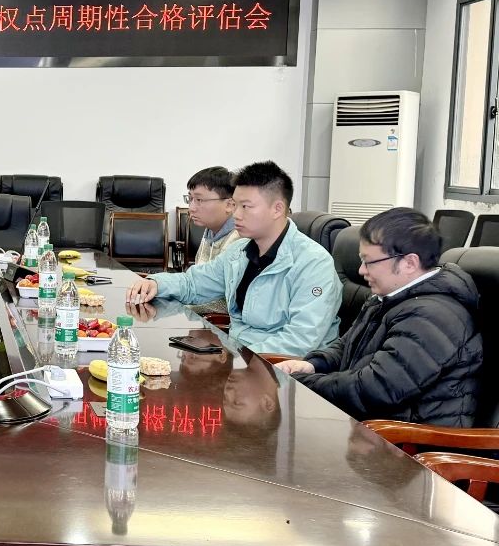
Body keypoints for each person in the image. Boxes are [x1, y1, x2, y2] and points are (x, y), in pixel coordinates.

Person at [276, 208, 482, 426]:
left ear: (409, 263)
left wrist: (301, 383)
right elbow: (347, 346)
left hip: (406, 439)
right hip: (370, 426)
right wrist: (313, 365)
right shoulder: (392, 297)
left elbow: (376, 390)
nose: (361, 270)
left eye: (369, 262)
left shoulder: (432, 317)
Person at [126, 161, 340, 357]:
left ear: (277, 209)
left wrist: (240, 360)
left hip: (283, 371)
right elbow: (194, 283)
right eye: (235, 205)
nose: (236, 214)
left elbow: (299, 341)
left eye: (245, 206)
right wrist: (156, 283)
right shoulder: (239, 251)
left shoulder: (313, 263)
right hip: (240, 355)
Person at [183, 165, 240, 315]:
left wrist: (181, 307)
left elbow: (226, 303)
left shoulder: (239, 239)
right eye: (190, 199)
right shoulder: (211, 230)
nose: (191, 208)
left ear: (230, 205)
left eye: (199, 200)